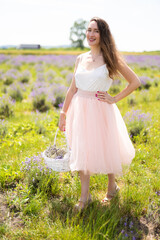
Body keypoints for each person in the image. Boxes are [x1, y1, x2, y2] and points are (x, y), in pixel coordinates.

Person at [58, 17, 141, 211]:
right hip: (79, 110)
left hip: (101, 109)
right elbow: (72, 89)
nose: (91, 34)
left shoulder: (110, 58)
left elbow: (135, 81)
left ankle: (111, 188)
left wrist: (114, 98)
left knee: (106, 147)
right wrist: (63, 112)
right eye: (88, 30)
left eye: (95, 31)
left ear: (103, 34)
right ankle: (83, 198)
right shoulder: (80, 58)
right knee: (82, 150)